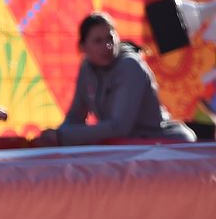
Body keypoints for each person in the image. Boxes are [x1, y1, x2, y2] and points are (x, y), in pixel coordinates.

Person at [36, 12, 195, 146]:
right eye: (98, 41)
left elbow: (119, 127)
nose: (107, 46)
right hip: (125, 147)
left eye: (110, 38)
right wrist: (54, 137)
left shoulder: (130, 66)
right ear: (83, 47)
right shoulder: (87, 68)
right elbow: (75, 116)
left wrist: (62, 137)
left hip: (160, 144)